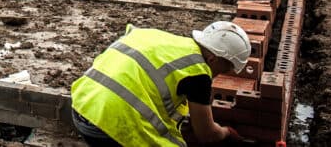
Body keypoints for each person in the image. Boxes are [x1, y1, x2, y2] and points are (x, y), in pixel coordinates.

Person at [71, 21, 250, 146]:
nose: (219, 76)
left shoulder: (158, 37)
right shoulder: (198, 73)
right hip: (105, 127)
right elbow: (207, 134)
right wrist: (227, 133)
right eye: (224, 70)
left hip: (81, 106)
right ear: (213, 59)